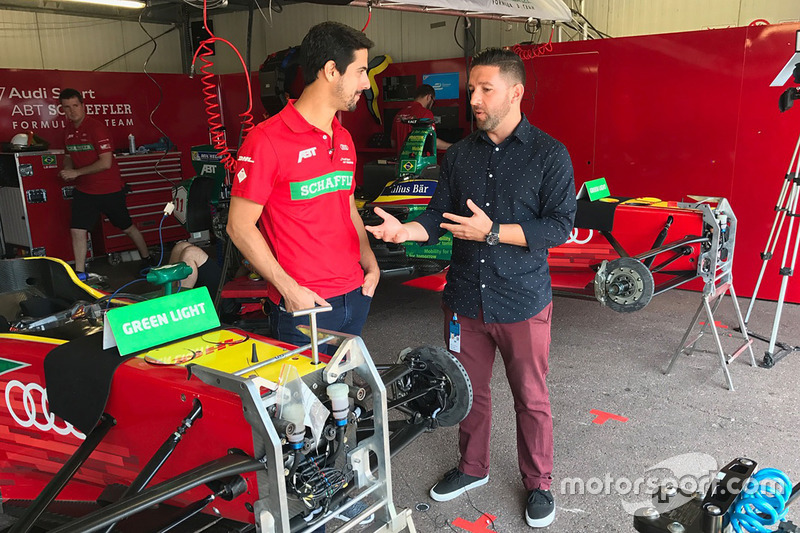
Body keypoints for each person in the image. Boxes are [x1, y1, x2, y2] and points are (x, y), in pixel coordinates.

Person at [366, 48, 576, 528]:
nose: (474, 99)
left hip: (522, 300)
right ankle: (473, 468)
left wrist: (495, 232)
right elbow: (438, 216)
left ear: (516, 92)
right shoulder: (459, 154)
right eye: (472, 90)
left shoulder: (549, 154)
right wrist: (407, 231)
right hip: (464, 298)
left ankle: (539, 482)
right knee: (467, 391)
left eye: (486, 89)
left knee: (531, 397)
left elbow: (560, 225)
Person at [227, 22, 380, 352]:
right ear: (330, 71)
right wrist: (289, 289)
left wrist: (369, 262)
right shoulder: (265, 140)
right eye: (360, 71)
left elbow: (347, 206)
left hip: (356, 295)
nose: (366, 85)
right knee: (303, 404)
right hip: (304, 305)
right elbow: (238, 227)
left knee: (345, 398)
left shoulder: (343, 137)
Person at [58, 88, 152, 275]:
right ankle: (79, 274)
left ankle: (147, 258)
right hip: (84, 190)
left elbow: (106, 162)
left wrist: (76, 172)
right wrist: (67, 167)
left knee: (127, 227)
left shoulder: (96, 128)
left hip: (108, 189)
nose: (72, 111)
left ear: (83, 105)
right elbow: (68, 154)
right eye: (66, 107)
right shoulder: (68, 130)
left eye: (75, 106)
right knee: (77, 230)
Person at [390, 84, 452, 155]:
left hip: (401, 162)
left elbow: (393, 143)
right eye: (433, 101)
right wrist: (453, 146)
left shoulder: (399, 115)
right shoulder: (426, 113)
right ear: (428, 97)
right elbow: (432, 142)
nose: (432, 105)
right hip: (419, 163)